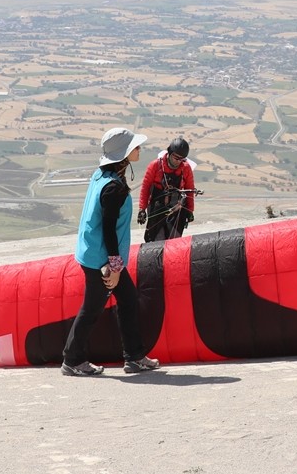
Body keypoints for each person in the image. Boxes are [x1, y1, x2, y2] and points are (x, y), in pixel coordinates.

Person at [61, 126, 161, 376]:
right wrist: (114, 268)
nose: (139, 149)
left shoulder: (101, 176)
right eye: (135, 147)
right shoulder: (114, 188)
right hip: (101, 260)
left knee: (127, 299)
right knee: (92, 308)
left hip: (93, 253)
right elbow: (108, 230)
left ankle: (134, 357)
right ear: (125, 154)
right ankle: (72, 360)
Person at [137, 136, 197, 242]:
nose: (178, 161)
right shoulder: (155, 165)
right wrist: (142, 209)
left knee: (174, 240)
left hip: (177, 208)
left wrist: (190, 210)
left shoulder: (186, 168)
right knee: (155, 239)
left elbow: (190, 190)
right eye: (176, 157)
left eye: (181, 159)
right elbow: (145, 187)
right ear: (169, 152)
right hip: (157, 207)